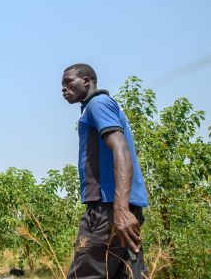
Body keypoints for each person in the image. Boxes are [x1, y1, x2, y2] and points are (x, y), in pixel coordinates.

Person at [61, 64, 148, 278]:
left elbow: (121, 150)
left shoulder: (97, 104)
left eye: (68, 82)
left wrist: (119, 209)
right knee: (127, 273)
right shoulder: (97, 107)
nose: (63, 89)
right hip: (117, 207)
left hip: (108, 208)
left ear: (87, 81)